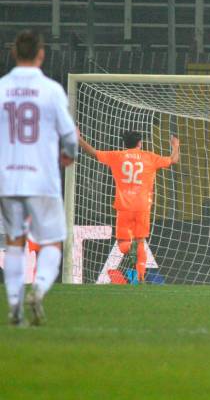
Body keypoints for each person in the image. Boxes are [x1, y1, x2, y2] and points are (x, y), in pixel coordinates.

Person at [0, 30, 79, 326]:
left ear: (13, 52)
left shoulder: (1, 88)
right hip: (42, 178)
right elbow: (69, 136)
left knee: (15, 243)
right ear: (41, 54)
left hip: (8, 179)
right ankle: (40, 289)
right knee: (53, 242)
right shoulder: (50, 90)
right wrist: (69, 154)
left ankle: (14, 305)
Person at [79, 131, 180, 283]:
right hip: (143, 207)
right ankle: (140, 278)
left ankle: (130, 247)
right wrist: (176, 145)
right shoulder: (150, 157)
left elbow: (93, 153)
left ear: (124, 144)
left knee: (122, 245)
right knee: (141, 242)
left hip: (124, 207)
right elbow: (174, 160)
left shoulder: (117, 156)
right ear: (140, 143)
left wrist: (78, 138)